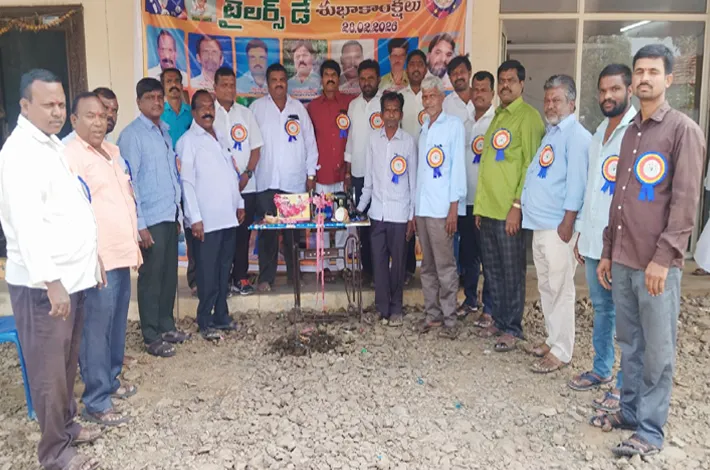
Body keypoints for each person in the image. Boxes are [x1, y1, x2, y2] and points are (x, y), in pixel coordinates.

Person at [593, 44, 706, 458]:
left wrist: (664, 258)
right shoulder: (631, 132)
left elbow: (685, 202)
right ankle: (629, 411)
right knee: (631, 343)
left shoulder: (682, 131)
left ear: (669, 79)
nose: (644, 78)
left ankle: (651, 431)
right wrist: (608, 249)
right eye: (639, 71)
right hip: (623, 259)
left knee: (658, 350)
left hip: (656, 265)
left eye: (653, 72)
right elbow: (620, 197)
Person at [0, 69, 103, 470]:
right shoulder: (19, 154)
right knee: (48, 370)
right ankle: (54, 453)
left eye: (61, 103)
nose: (58, 111)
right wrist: (52, 282)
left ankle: (67, 425)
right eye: (48, 105)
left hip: (71, 277)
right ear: (25, 106)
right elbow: (27, 226)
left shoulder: (51, 145)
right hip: (44, 285)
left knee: (65, 362)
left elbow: (70, 208)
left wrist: (91, 258)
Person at [65, 92, 141, 427]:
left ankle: (110, 380)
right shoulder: (70, 156)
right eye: (90, 116)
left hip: (120, 253)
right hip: (96, 259)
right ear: (74, 120)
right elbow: (71, 210)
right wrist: (88, 253)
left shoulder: (112, 152)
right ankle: (95, 401)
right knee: (95, 329)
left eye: (103, 115)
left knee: (115, 324)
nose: (99, 121)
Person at [568, 64, 635, 412]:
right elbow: (591, 187)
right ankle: (601, 368)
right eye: (603, 91)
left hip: (621, 242)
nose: (608, 96)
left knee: (626, 315)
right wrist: (581, 230)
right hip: (595, 237)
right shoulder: (598, 133)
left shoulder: (636, 132)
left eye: (615, 89)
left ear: (629, 90)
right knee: (602, 307)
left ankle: (625, 386)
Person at [521, 75, 591, 373]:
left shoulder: (576, 136)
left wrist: (568, 222)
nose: (550, 105)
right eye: (547, 99)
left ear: (571, 103)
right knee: (547, 286)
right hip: (542, 224)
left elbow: (577, 184)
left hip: (559, 227)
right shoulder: (553, 133)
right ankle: (553, 339)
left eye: (557, 100)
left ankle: (562, 351)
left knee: (561, 288)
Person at [473, 60, 545, 352]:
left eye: (510, 80)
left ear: (522, 84)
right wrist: (479, 207)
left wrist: (517, 205)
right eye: (502, 80)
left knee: (512, 272)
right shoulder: (498, 116)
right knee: (493, 271)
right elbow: (487, 165)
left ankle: (513, 328)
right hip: (489, 209)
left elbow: (530, 165)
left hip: (509, 212)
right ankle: (500, 321)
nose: (505, 85)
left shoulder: (528, 118)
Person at [117, 78, 189, 357]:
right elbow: (129, 183)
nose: (157, 102)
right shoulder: (132, 136)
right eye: (150, 98)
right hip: (150, 219)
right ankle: (151, 335)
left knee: (169, 276)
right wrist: (140, 225)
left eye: (160, 97)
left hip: (168, 215)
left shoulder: (165, 132)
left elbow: (171, 176)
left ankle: (166, 326)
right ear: (139, 102)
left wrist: (177, 213)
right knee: (151, 278)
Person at [177, 90, 245, 340]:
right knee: (207, 272)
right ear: (194, 112)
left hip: (227, 216)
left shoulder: (220, 136)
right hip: (206, 221)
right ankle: (205, 320)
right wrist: (194, 218)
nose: (208, 111)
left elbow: (232, 173)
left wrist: (239, 203)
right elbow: (187, 183)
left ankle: (221, 316)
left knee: (224, 269)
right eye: (203, 107)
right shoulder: (188, 142)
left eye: (211, 107)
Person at [249, 63, 318, 291]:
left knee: (292, 235)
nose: (278, 84)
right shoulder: (256, 109)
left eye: (282, 80)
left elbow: (310, 143)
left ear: (287, 83)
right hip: (266, 181)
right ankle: (266, 278)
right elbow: (250, 145)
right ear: (267, 84)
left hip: (293, 182)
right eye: (274, 80)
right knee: (267, 235)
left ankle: (293, 276)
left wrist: (310, 174)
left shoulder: (298, 109)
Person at [357, 91, 416, 326]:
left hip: (400, 214)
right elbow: (369, 180)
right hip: (377, 214)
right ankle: (382, 308)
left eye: (395, 110)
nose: (391, 115)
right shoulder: (373, 140)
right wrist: (360, 208)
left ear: (401, 114)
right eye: (387, 111)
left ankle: (396, 308)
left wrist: (411, 216)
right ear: (381, 114)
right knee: (379, 263)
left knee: (398, 264)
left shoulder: (408, 142)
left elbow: (413, 182)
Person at [416, 75, 467, 339]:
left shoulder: (453, 126)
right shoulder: (424, 127)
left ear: (442, 97)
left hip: (442, 208)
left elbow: (457, 167)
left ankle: (450, 319)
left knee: (445, 266)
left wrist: (453, 207)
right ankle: (432, 315)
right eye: (424, 97)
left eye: (432, 96)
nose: (428, 101)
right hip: (423, 207)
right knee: (427, 266)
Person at [213, 66, 263, 296]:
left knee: (243, 234)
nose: (229, 89)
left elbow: (256, 149)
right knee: (222, 235)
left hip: (246, 186)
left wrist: (247, 175)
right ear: (215, 88)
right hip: (218, 189)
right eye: (224, 85)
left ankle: (240, 277)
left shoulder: (246, 114)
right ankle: (221, 279)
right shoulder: (208, 114)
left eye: (232, 85)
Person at [307, 59, 355, 275]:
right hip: (321, 174)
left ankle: (343, 264)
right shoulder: (313, 107)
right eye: (326, 75)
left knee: (344, 219)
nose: (330, 79)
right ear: (322, 79)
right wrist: (311, 174)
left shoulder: (349, 103)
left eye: (334, 75)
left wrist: (349, 170)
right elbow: (309, 142)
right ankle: (324, 266)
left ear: (338, 79)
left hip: (344, 173)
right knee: (322, 222)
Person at [456, 70, 495, 319]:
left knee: (488, 257)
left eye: (484, 90)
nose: (479, 94)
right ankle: (470, 300)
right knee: (468, 254)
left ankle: (489, 308)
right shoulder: (465, 123)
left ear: (492, 93)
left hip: (487, 202)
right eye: (476, 89)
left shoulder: (497, 123)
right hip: (466, 200)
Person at [345, 59, 382, 285]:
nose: (366, 82)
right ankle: (368, 271)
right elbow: (350, 140)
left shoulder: (386, 102)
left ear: (378, 79)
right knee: (363, 225)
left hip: (383, 176)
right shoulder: (353, 105)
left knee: (382, 225)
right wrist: (348, 172)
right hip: (359, 174)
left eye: (371, 78)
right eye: (363, 79)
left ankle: (383, 272)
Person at [399, 49, 428, 285]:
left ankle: (430, 270)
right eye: (412, 64)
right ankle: (408, 268)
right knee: (407, 218)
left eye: (420, 64)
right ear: (407, 70)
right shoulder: (400, 97)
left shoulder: (433, 96)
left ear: (425, 69)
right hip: (404, 168)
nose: (416, 68)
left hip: (431, 170)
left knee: (428, 220)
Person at [161, 68, 193, 147]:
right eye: (169, 81)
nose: (174, 85)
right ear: (163, 88)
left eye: (177, 81)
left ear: (181, 86)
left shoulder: (192, 113)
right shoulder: (158, 114)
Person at [443, 55, 475, 124]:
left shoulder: (480, 97)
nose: (458, 76)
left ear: (469, 73)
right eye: (454, 73)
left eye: (462, 72)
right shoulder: (445, 105)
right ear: (450, 78)